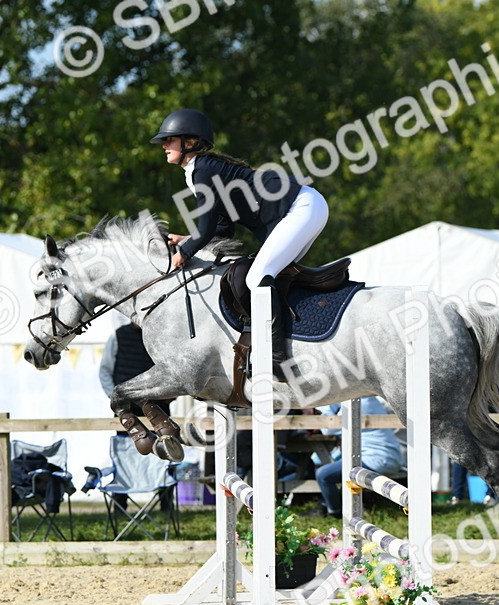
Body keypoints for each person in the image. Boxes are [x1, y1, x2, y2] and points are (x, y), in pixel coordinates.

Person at [154, 108, 329, 380]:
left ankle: (277, 356)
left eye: (169, 140)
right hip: (306, 206)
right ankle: (307, 336)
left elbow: (209, 229)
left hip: (301, 207)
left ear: (189, 142)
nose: (163, 145)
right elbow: (223, 228)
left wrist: (183, 254)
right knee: (273, 274)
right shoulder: (200, 171)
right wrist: (186, 239)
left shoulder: (202, 170)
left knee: (258, 275)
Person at [99, 323, 171, 511]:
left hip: (158, 407)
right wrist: (116, 399)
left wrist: (171, 395)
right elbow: (105, 371)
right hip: (127, 411)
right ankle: (119, 506)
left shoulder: (162, 333)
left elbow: (173, 369)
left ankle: (166, 506)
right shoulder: (119, 336)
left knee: (165, 450)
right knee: (123, 453)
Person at [315, 397, 403, 518]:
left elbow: (328, 430)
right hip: (390, 457)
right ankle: (327, 505)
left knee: (323, 475)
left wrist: (326, 405)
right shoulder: (370, 400)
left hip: (376, 459)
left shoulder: (356, 404)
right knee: (335, 463)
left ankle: (335, 514)